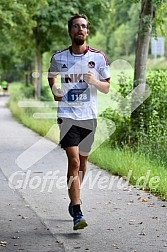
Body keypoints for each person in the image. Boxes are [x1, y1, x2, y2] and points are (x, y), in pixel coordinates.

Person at [48, 13, 110, 230]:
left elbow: (107, 87)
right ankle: (77, 210)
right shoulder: (59, 57)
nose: (80, 29)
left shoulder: (98, 57)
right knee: (74, 161)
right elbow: (52, 76)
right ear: (70, 31)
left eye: (83, 26)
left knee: (83, 163)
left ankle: (74, 198)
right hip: (67, 115)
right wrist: (55, 89)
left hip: (89, 116)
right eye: (76, 26)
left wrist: (95, 81)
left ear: (88, 31)